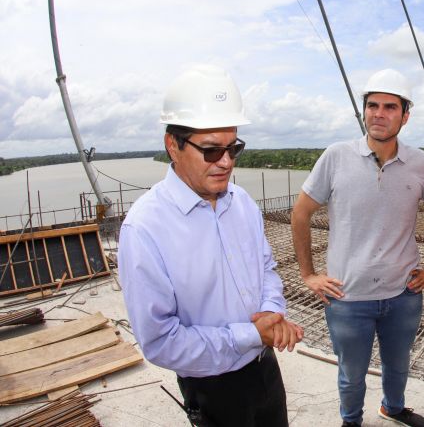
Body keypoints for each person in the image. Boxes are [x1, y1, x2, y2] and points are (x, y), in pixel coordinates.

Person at [118, 67, 303, 427]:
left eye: (233, 148)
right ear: (173, 145)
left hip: (265, 369)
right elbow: (160, 340)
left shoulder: (243, 203)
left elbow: (265, 269)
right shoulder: (145, 228)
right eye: (211, 150)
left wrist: (269, 311)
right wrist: (252, 333)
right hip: (211, 387)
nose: (226, 162)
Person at [291, 69, 424, 427]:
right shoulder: (336, 157)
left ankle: (392, 408)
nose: (379, 113)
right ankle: (351, 421)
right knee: (351, 373)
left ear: (405, 116)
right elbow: (300, 214)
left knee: (398, 364)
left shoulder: (421, 163)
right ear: (364, 112)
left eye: (390, 107)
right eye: (372, 105)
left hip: (402, 293)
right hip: (348, 297)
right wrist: (308, 274)